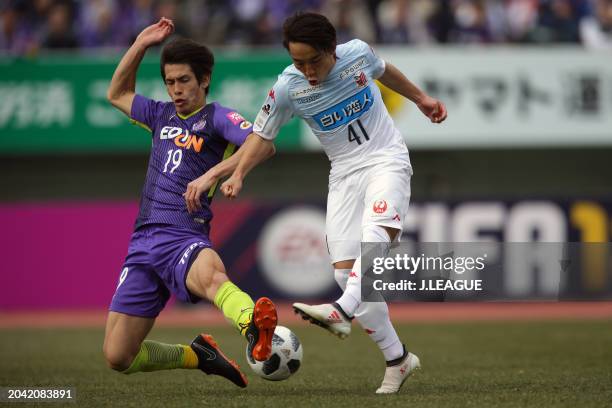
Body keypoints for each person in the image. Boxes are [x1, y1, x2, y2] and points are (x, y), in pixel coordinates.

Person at [218, 12, 447, 394]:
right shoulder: (288, 87)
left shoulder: (357, 54)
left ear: (332, 50)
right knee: (347, 274)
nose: (307, 70)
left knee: (375, 237)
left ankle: (340, 310)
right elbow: (261, 134)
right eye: (298, 62)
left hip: (385, 159)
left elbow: (385, 70)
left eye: (314, 60)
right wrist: (239, 172)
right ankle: (398, 359)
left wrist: (421, 99)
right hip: (342, 175)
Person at [103, 17, 277, 388]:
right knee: (118, 356)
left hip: (184, 233)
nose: (176, 90)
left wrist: (214, 174)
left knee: (212, 278)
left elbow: (262, 143)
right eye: (169, 82)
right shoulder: (159, 114)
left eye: (184, 80)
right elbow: (116, 94)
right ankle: (199, 355)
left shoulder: (217, 118)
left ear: (204, 79)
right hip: (142, 243)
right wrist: (139, 44)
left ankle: (254, 328)